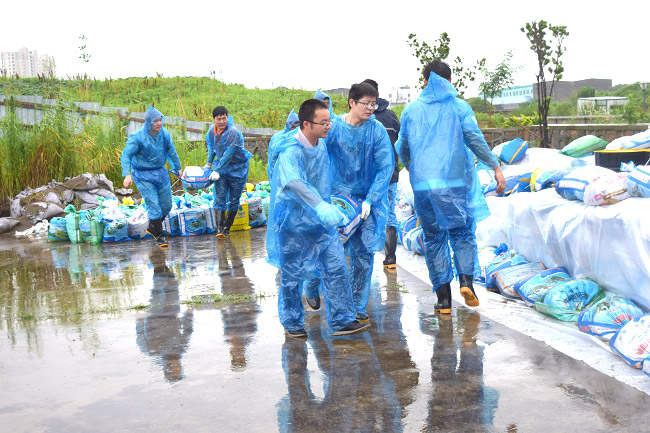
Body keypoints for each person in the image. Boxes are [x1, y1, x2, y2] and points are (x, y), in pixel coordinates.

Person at [395, 60, 506, 314]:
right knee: (462, 233)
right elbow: (474, 139)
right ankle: (466, 281)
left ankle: (443, 300)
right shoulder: (459, 107)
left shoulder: (411, 111)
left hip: (424, 187)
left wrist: (414, 168)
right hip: (455, 184)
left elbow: (402, 146)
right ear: (450, 81)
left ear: (425, 81)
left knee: (434, 239)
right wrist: (495, 166)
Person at [266, 98, 369, 338]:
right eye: (323, 123)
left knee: (336, 267)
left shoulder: (320, 144)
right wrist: (320, 205)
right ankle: (292, 322)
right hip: (293, 222)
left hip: (322, 223)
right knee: (292, 275)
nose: (328, 127)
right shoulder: (291, 150)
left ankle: (343, 320)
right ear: (306, 124)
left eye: (329, 122)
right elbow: (293, 182)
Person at [325, 82, 394, 322]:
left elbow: (385, 166)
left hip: (366, 201)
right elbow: (319, 156)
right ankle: (318, 290)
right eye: (366, 104)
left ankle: (357, 307)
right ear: (352, 103)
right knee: (330, 250)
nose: (370, 109)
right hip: (338, 198)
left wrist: (371, 199)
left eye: (374, 104)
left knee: (364, 253)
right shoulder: (334, 128)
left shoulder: (377, 131)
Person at [121, 106, 181, 248]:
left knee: (167, 205)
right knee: (153, 204)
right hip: (142, 175)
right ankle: (159, 234)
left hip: (160, 172)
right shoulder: (138, 138)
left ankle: (154, 226)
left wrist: (177, 168)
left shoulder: (164, 135)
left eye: (160, 120)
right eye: (155, 121)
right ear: (148, 122)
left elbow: (171, 151)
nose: (159, 123)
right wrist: (127, 174)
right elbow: (126, 155)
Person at [362, 79, 401, 271]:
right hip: (391, 175)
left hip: (369, 178)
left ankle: (364, 257)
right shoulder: (391, 116)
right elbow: (401, 143)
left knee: (365, 214)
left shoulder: (364, 118)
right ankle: (390, 259)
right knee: (389, 213)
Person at [204, 106, 252, 238]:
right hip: (222, 170)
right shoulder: (211, 132)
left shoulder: (233, 132)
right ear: (214, 119)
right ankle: (220, 229)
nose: (221, 121)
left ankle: (227, 228)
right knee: (219, 197)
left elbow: (229, 154)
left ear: (227, 117)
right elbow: (212, 148)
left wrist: (216, 170)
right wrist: (209, 163)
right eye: (218, 119)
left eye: (224, 118)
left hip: (238, 169)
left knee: (234, 199)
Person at [267, 109, 300, 181]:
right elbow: (271, 159)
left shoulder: (300, 140)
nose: (295, 130)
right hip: (278, 173)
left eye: (297, 127)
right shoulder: (278, 138)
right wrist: (272, 177)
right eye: (293, 127)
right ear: (288, 126)